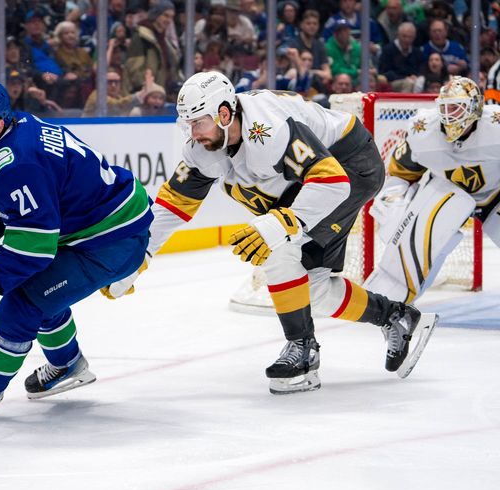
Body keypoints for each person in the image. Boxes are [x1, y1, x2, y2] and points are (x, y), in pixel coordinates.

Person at [104, 72, 437, 394]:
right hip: (307, 182)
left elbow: (332, 182)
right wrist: (134, 257)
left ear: (224, 114)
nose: (192, 132)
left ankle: (302, 351)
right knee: (315, 290)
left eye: (198, 122)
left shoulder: (267, 130)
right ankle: (397, 317)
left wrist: (279, 224)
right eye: (187, 123)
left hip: (350, 164)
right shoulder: (203, 144)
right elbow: (172, 206)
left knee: (278, 247)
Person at [0, 77, 153, 415]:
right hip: (99, 226)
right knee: (40, 293)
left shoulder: (18, 161)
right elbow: (39, 185)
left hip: (111, 240)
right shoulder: (17, 124)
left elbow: (35, 247)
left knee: (20, 304)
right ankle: (68, 366)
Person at [365, 76, 500, 303]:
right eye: (445, 107)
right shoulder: (423, 130)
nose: (449, 115)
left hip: (494, 195)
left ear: (475, 108)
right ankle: (391, 303)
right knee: (423, 247)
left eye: (457, 108)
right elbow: (401, 174)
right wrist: (393, 203)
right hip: (447, 196)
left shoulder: (496, 127)